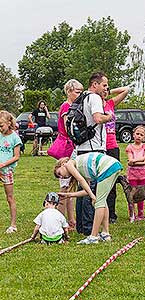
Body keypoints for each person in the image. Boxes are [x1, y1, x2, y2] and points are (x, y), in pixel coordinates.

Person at [54, 152, 122, 244]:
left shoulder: (69, 164)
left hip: (107, 167)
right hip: (114, 165)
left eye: (59, 173)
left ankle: (93, 237)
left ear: (62, 164)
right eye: (60, 177)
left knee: (99, 202)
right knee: (102, 200)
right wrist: (69, 195)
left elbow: (81, 181)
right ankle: (105, 233)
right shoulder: (82, 170)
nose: (62, 177)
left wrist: (92, 196)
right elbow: (87, 190)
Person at [75, 72, 112, 236]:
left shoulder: (83, 97)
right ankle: (90, 227)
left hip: (82, 148)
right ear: (94, 84)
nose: (106, 88)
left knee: (82, 186)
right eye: (104, 85)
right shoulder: (95, 98)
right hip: (94, 148)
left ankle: (82, 226)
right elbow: (97, 118)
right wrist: (108, 116)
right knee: (92, 189)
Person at [54, 79, 83, 231]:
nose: (80, 94)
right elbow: (69, 128)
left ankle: (71, 220)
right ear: (69, 91)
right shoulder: (66, 107)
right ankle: (62, 221)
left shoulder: (72, 106)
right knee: (65, 188)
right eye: (77, 92)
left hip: (71, 147)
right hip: (67, 148)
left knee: (70, 187)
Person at [103, 85, 129, 224]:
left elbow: (126, 90)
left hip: (112, 145)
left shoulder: (110, 103)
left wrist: (108, 91)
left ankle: (111, 213)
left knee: (112, 180)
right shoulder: (92, 102)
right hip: (99, 145)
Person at [0, 111, 22, 234]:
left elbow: (16, 156)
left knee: (9, 198)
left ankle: (13, 225)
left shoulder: (14, 137)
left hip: (6, 171)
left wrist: (3, 165)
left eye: (1, 125)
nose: (0, 128)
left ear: (9, 123)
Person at [126, 125, 145, 222]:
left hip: (143, 174)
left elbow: (144, 159)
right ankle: (132, 214)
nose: (139, 136)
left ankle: (141, 214)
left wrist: (135, 161)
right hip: (132, 175)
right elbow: (130, 160)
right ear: (133, 135)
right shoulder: (130, 147)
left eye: (141, 135)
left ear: (144, 137)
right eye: (137, 134)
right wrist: (142, 161)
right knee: (131, 195)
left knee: (141, 194)